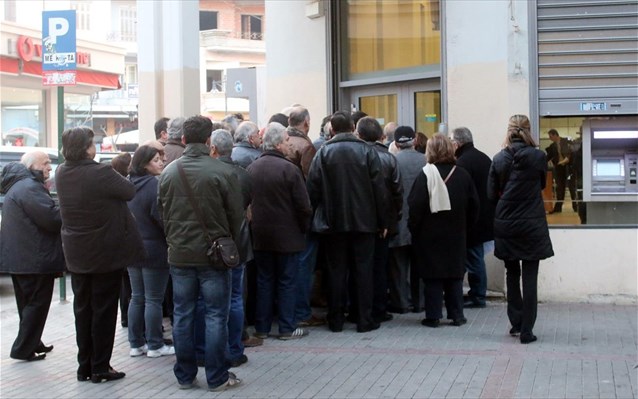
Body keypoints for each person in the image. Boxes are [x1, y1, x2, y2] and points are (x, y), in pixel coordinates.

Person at [158, 115, 243, 391]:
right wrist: (230, 244)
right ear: (209, 141)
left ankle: (184, 375)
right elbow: (236, 217)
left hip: (180, 254)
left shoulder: (168, 172)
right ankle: (217, 376)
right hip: (214, 254)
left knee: (182, 314)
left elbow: (163, 214)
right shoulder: (222, 171)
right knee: (216, 315)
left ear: (183, 139)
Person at [55, 127, 145, 383]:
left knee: (82, 309)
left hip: (77, 252)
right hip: (104, 252)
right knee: (104, 311)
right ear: (87, 148)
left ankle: (84, 366)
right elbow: (129, 191)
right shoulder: (100, 172)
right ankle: (100, 367)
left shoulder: (62, 171)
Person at [307, 111, 389, 333]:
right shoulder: (367, 151)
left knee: (336, 272)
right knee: (364, 271)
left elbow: (312, 189)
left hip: (333, 224)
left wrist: (313, 218)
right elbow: (379, 190)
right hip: (365, 222)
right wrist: (383, 222)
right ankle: (364, 320)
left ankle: (335, 320)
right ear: (353, 127)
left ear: (331, 129)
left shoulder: (323, 152)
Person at [488, 115, 554, 344]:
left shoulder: (498, 159)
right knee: (530, 276)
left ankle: (515, 322)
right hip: (532, 223)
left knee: (512, 273)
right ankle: (527, 329)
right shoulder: (539, 157)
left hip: (506, 224)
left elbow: (490, 194)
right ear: (528, 130)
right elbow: (542, 185)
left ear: (509, 131)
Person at [247, 122, 313, 340]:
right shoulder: (290, 170)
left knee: (264, 281)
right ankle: (286, 327)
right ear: (276, 143)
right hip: (288, 236)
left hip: (260, 235)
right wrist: (303, 228)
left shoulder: (252, 167)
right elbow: (303, 206)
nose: (289, 145)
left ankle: (262, 328)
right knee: (287, 281)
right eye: (286, 141)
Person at [408, 133, 479, 328]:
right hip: (456, 233)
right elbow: (474, 206)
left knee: (432, 276)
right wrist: (466, 227)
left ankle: (433, 316)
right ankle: (457, 315)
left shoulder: (425, 175)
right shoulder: (462, 174)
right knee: (455, 275)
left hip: (429, 234)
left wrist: (415, 229)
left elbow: (415, 206)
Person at [0, 151, 64, 362]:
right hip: (34, 259)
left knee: (27, 305)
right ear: (32, 166)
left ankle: (33, 342)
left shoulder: (20, 186)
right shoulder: (29, 187)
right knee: (36, 305)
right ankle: (23, 348)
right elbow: (52, 219)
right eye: (45, 163)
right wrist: (68, 207)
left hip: (23, 258)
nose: (49, 167)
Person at [125, 145, 174, 359]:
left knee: (137, 297)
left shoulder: (127, 185)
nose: (161, 162)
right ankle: (155, 344)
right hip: (154, 248)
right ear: (144, 164)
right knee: (153, 298)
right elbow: (161, 218)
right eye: (156, 159)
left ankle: (136, 344)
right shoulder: (153, 185)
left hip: (133, 247)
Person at [209, 129, 253, 365]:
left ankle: (217, 351)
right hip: (239, 243)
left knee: (214, 303)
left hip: (216, 245)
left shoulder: (210, 174)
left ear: (213, 149)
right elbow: (247, 211)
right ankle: (235, 349)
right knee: (235, 297)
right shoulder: (244, 175)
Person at [356, 116, 403, 324]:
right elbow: (396, 193)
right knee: (380, 267)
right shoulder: (388, 158)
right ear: (380, 135)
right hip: (383, 222)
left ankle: (360, 310)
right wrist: (392, 219)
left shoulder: (356, 155)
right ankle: (379, 309)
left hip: (359, 221)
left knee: (360, 267)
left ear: (359, 134)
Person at [451, 127, 495, 309]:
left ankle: (478, 295)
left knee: (474, 258)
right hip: (486, 216)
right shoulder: (484, 158)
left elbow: (463, 194)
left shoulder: (462, 163)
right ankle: (477, 293)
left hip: (473, 220)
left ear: (456, 143)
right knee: (476, 257)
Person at [387, 126, 427, 314]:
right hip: (422, 222)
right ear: (415, 141)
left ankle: (401, 303)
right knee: (420, 265)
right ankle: (419, 302)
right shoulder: (426, 161)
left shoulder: (391, 161)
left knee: (398, 267)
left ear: (395, 143)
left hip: (398, 220)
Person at [110, 152, 133, 328]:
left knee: (124, 285)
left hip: (119, 243)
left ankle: (125, 316)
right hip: (126, 243)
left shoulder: (112, 187)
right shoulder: (125, 188)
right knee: (131, 287)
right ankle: (127, 317)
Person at [545, 128, 575, 213]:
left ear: (555, 135)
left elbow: (571, 154)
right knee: (560, 188)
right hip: (559, 168)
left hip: (568, 167)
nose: (550, 138)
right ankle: (558, 208)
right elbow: (548, 157)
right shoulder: (552, 146)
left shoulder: (566, 142)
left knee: (572, 187)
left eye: (550, 136)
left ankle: (576, 207)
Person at [286, 106, 316, 178]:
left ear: (289, 121)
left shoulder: (281, 140)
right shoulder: (306, 146)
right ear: (306, 122)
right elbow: (309, 176)